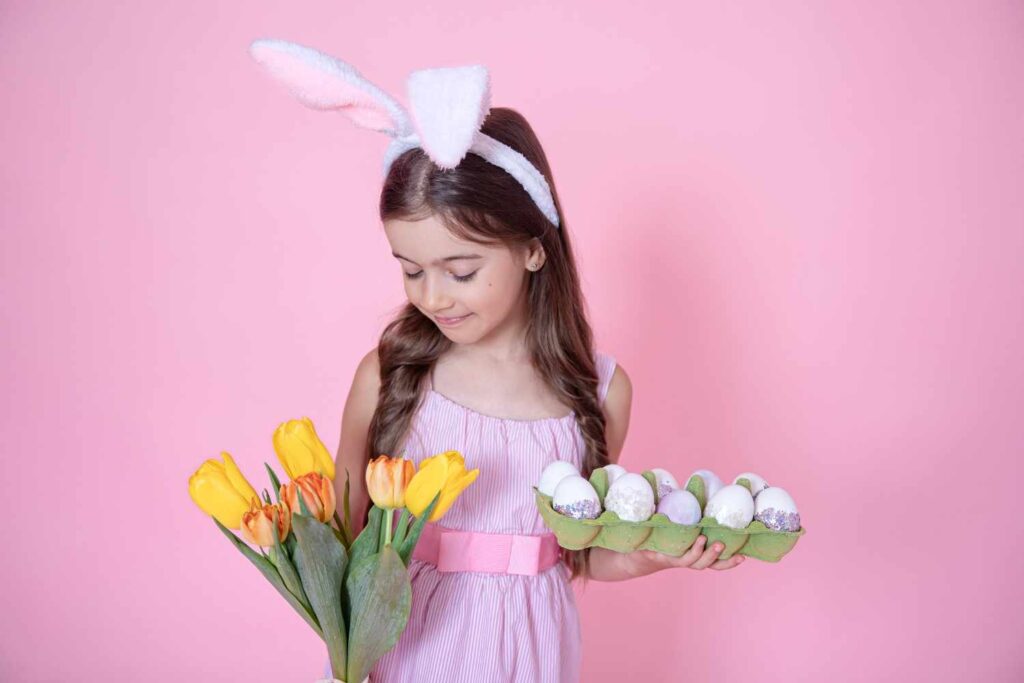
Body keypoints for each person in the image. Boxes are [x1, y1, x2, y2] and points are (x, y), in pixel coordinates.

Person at [246, 38, 743, 683]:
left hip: (534, 655)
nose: (433, 297)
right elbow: (344, 538)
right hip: (410, 649)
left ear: (534, 249)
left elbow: (580, 554)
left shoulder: (597, 391)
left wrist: (657, 554)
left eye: (461, 271)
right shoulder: (391, 378)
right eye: (411, 270)